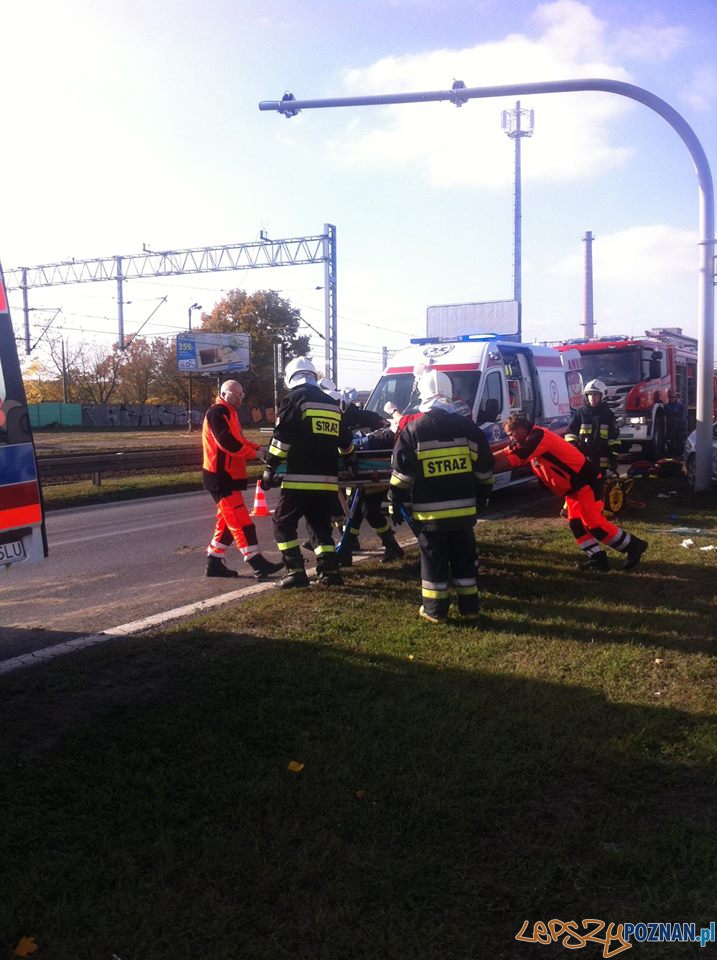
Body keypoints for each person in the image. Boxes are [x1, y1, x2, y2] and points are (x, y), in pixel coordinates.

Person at [387, 369, 494, 623]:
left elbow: (402, 475)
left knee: (434, 561)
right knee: (464, 560)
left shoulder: (414, 430)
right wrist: (483, 495)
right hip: (464, 513)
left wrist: (395, 500)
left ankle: (435, 612)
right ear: (449, 395)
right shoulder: (469, 428)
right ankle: (470, 609)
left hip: (430, 514)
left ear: (423, 396)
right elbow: (485, 470)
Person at [498, 412, 648, 573]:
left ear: (521, 429)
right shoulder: (529, 439)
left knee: (594, 524)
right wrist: (482, 457)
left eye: (511, 434)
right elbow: (508, 452)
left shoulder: (538, 436)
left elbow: (515, 458)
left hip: (586, 483)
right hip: (574, 488)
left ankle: (634, 546)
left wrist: (482, 466)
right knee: (576, 524)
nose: (511, 438)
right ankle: (598, 560)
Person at [261, 358, 356, 588]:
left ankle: (295, 571)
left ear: (290, 377)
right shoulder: (331, 402)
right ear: (313, 376)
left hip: (298, 479)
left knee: (282, 523)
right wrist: (350, 461)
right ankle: (330, 572)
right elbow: (347, 442)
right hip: (327, 481)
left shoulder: (293, 399)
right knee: (319, 526)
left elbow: (282, 440)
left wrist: (270, 468)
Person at [202, 380, 284, 580]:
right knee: (241, 523)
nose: (239, 398)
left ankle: (214, 562)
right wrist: (253, 453)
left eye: (241, 395)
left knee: (227, 523)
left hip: (227, 477)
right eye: (234, 395)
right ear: (223, 393)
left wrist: (257, 450)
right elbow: (228, 444)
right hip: (221, 477)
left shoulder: (229, 412)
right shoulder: (217, 412)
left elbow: (238, 440)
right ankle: (257, 563)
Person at [318, 378, 404, 565]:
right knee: (362, 509)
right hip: (357, 472)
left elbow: (388, 435)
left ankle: (352, 547)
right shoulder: (339, 418)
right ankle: (377, 545)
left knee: (365, 509)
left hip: (372, 469)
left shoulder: (368, 418)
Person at [565, 379, 620, 472]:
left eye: (595, 394)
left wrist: (613, 457)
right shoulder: (580, 413)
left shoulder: (607, 414)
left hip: (602, 458)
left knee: (601, 484)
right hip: (583, 458)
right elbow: (571, 433)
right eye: (589, 394)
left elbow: (613, 437)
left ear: (602, 396)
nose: (592, 397)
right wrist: (572, 448)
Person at [663, 390, 687, 457]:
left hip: (679, 427)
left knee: (680, 441)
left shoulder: (680, 406)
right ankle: (672, 454)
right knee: (670, 441)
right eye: (670, 397)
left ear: (675, 397)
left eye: (673, 397)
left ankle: (680, 454)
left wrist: (672, 413)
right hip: (670, 427)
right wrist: (674, 413)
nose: (672, 399)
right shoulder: (666, 406)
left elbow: (681, 414)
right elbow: (667, 412)